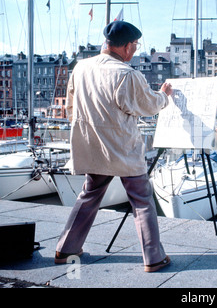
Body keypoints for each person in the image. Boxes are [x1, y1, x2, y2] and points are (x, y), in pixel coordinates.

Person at [55, 21, 173, 273]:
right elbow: (149, 106)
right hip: (122, 148)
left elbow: (71, 109)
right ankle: (153, 257)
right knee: (141, 200)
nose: (135, 50)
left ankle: (66, 248)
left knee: (89, 195)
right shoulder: (126, 74)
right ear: (127, 46)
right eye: (135, 46)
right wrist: (164, 95)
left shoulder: (81, 68)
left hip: (92, 146)